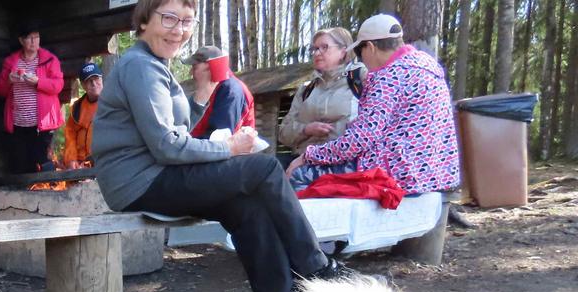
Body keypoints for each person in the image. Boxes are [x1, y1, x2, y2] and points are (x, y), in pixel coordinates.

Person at [91, 0, 346, 292]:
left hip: (149, 177)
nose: (179, 30)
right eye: (169, 18)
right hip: (141, 181)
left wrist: (201, 97)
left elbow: (171, 131)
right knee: (265, 168)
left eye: (187, 21)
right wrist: (230, 149)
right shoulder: (141, 66)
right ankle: (316, 268)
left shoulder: (152, 64)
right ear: (144, 22)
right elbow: (167, 146)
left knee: (245, 206)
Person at [286, 14, 460, 194]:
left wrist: (309, 156)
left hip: (399, 174)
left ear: (370, 47)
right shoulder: (429, 68)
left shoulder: (388, 77)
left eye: (360, 52)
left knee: (299, 174)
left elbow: (360, 139)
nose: (361, 59)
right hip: (435, 174)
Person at [277, 27, 366, 164]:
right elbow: (283, 134)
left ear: (343, 51)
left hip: (344, 161)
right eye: (315, 49)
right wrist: (306, 130)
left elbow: (372, 126)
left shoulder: (360, 79)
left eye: (324, 47)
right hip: (302, 160)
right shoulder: (306, 89)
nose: (317, 53)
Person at [0, 24, 64, 174]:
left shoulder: (50, 60)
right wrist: (9, 80)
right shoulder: (11, 62)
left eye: (36, 37)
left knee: (43, 163)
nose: (34, 41)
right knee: (21, 166)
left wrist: (39, 82)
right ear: (21, 40)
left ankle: (49, 189)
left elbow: (58, 85)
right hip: (18, 124)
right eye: (30, 38)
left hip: (42, 125)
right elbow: (0, 90)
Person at [182, 45, 255, 139]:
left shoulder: (231, 91)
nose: (191, 73)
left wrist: (185, 144)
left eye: (195, 67)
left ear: (209, 67)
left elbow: (218, 139)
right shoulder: (208, 89)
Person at [63, 62, 103, 170]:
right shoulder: (77, 108)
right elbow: (70, 135)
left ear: (102, 79)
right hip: (82, 165)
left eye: (96, 78)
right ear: (83, 85)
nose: (94, 83)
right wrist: (71, 159)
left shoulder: (114, 103)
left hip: (106, 162)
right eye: (89, 81)